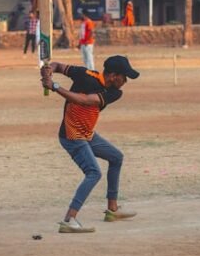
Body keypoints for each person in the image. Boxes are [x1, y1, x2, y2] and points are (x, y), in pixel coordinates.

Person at [40, 55, 140, 233]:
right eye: (124, 77)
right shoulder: (84, 74)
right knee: (93, 173)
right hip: (71, 136)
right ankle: (69, 220)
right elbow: (57, 66)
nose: (126, 81)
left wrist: (54, 86)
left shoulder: (114, 92)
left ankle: (112, 209)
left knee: (116, 157)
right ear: (113, 76)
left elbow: (84, 100)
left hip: (87, 135)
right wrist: (48, 70)